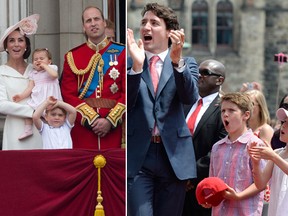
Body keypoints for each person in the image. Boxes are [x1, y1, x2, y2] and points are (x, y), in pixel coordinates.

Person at [127, 3, 199, 215]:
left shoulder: (187, 63)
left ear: (170, 32)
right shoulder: (130, 65)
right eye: (143, 22)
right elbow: (126, 104)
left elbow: (189, 97)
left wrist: (177, 63)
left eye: (154, 23)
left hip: (173, 157)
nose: (146, 27)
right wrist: (137, 69)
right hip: (140, 156)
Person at [60, 6, 125, 149]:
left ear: (104, 23)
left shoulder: (123, 53)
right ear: (84, 27)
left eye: (96, 19)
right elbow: (68, 95)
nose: (93, 23)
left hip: (114, 129)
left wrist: (110, 120)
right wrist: (92, 119)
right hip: (83, 129)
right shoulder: (73, 56)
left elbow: (127, 93)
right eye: (88, 21)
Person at [206, 92, 265, 215]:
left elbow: (262, 183)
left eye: (231, 110)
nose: (225, 115)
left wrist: (238, 196)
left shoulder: (255, 144)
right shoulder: (217, 147)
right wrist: (207, 197)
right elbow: (212, 181)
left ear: (246, 115)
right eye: (223, 111)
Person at [182, 59, 227, 216]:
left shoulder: (223, 109)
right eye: (198, 72)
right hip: (174, 184)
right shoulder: (184, 103)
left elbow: (218, 149)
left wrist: (190, 176)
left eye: (205, 73)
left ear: (219, 80)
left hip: (202, 187)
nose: (199, 75)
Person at [0, 14, 42, 150]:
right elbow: (2, 105)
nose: (16, 44)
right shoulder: (1, 72)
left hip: (38, 129)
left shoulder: (35, 69)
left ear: (26, 45)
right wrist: (33, 111)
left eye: (20, 40)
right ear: (6, 46)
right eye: (11, 41)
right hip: (14, 130)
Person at [12, 48, 62, 140]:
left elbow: (54, 75)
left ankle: (54, 134)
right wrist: (21, 96)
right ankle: (28, 128)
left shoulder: (52, 68)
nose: (38, 61)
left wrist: (45, 66)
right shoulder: (33, 73)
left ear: (49, 61)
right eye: (35, 59)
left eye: (42, 59)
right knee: (28, 109)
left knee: (53, 116)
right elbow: (30, 88)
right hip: (38, 99)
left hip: (50, 99)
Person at [248, 107, 288, 216]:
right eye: (284, 122)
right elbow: (260, 184)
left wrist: (273, 156)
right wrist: (256, 162)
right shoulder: (277, 153)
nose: (283, 125)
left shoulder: (275, 155)